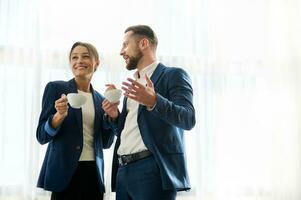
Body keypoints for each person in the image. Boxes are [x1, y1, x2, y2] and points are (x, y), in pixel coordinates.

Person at [108, 25, 196, 200]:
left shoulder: (173, 75)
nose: (121, 51)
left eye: (125, 45)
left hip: (152, 170)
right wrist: (114, 116)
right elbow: (127, 132)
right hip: (123, 172)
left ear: (143, 43)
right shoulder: (133, 85)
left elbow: (188, 118)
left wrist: (154, 101)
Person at [36, 42, 119, 200]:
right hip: (64, 174)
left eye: (85, 56)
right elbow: (41, 136)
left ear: (96, 63)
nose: (79, 60)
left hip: (93, 174)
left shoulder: (101, 100)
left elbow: (106, 143)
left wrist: (111, 117)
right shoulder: (56, 89)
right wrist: (58, 116)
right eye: (74, 57)